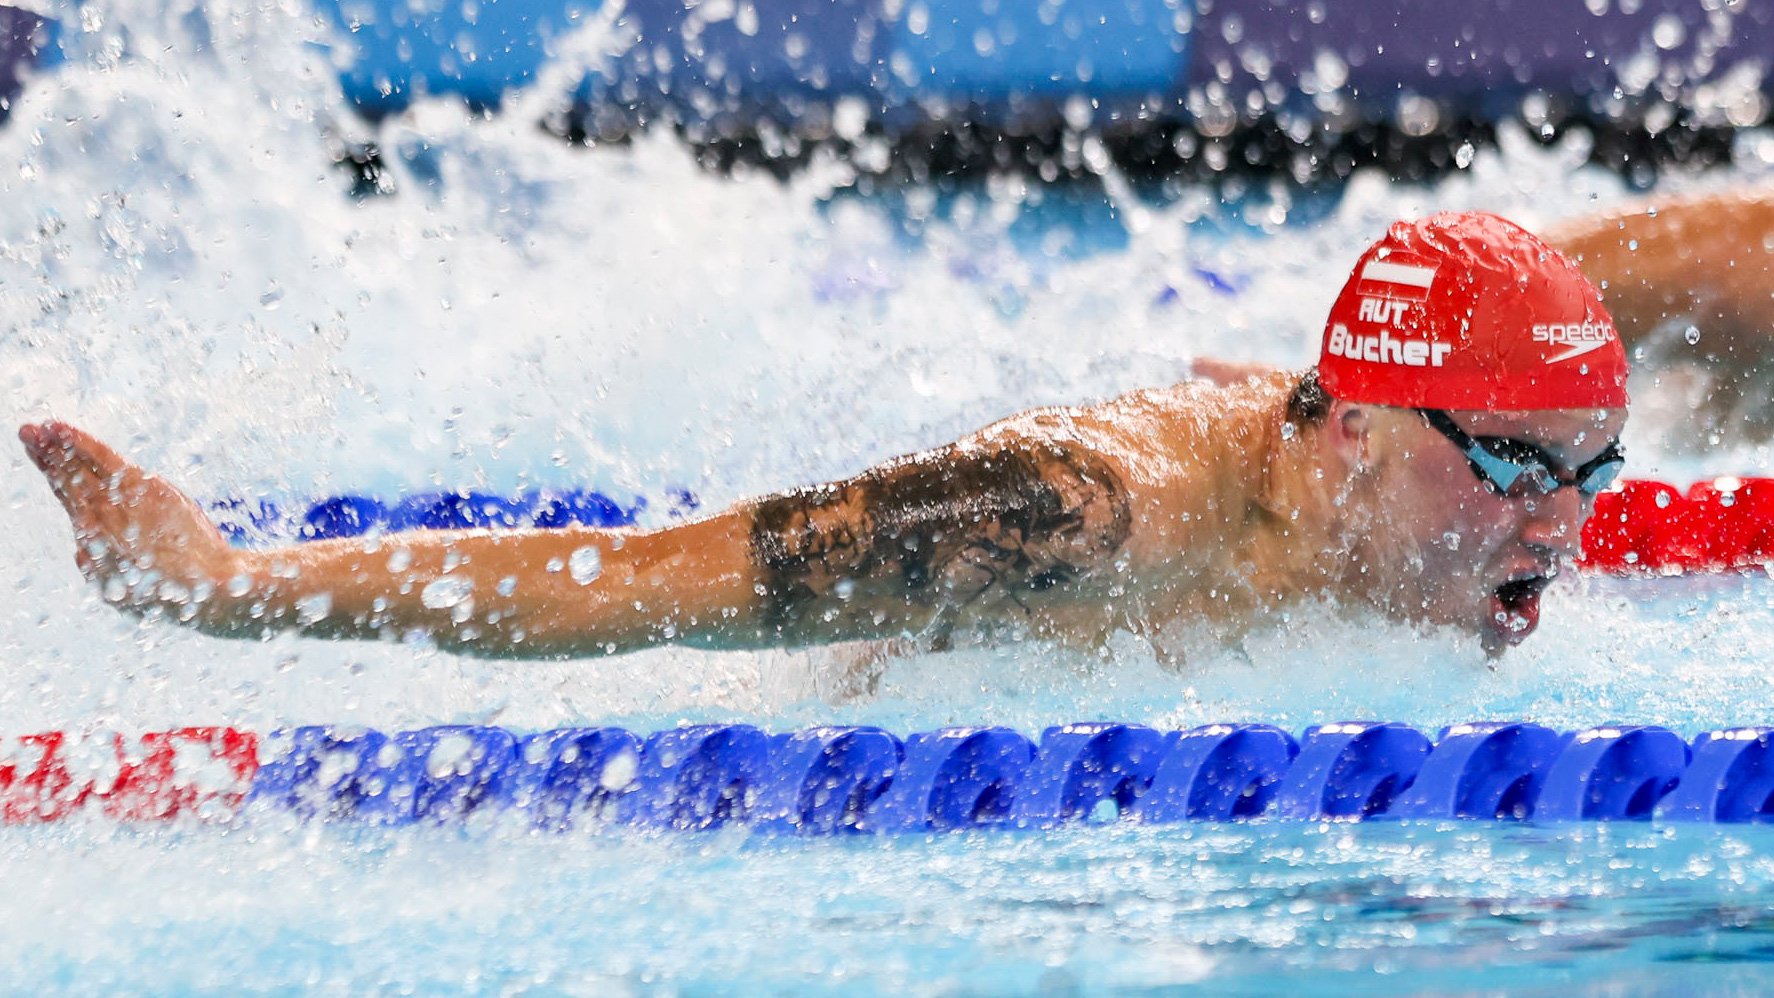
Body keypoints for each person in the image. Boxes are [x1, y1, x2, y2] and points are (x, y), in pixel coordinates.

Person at [16, 193, 1763, 669]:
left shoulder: (1418, 519)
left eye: (1594, 471)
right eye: (1519, 465)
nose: (1568, 521)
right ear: (1339, 433)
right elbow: (639, 583)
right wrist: (233, 586)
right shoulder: (1078, 513)